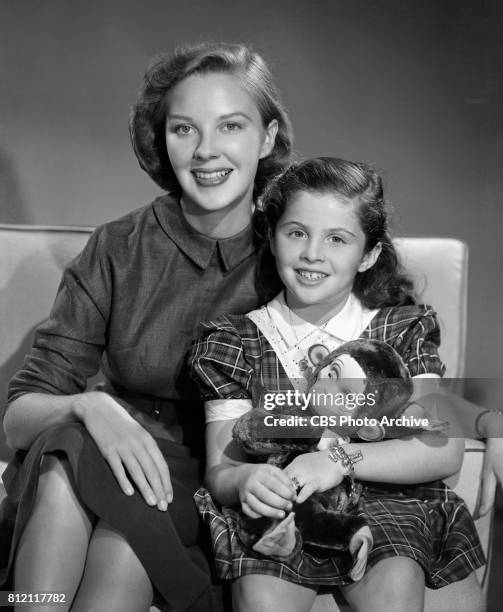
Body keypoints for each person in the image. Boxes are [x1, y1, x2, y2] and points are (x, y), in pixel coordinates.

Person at [0, 41, 292, 612]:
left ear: (267, 137)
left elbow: (383, 381)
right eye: (184, 129)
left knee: (123, 548)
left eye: (230, 126)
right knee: (64, 456)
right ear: (163, 141)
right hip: (98, 448)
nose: (206, 151)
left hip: (215, 471)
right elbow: (18, 419)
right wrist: (89, 406)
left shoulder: (297, 252)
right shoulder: (117, 246)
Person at [188, 157, 486, 612]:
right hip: (287, 507)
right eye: (296, 233)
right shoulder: (235, 341)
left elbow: (441, 450)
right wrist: (245, 478)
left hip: (388, 502)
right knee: (262, 598)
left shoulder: (399, 331)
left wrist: (340, 459)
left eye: (337, 239)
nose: (312, 253)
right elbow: (221, 469)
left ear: (368, 254)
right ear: (271, 237)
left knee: (395, 590)